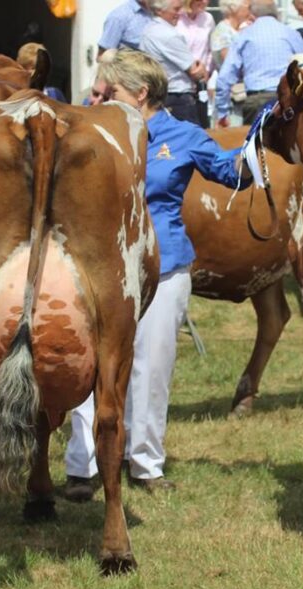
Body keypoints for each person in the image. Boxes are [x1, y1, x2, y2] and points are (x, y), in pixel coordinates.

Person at [64, 49, 251, 500]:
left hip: (163, 266)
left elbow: (232, 174)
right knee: (90, 366)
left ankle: (145, 463)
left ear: (141, 93)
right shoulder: (92, 127)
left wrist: (261, 144)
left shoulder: (182, 135)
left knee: (150, 367)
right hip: (97, 265)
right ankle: (81, 464)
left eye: (111, 91)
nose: (101, 96)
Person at [215, 0, 303, 126]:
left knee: (256, 145)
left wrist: (222, 112)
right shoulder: (291, 34)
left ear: (252, 14)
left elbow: (225, 76)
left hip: (257, 101)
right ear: (276, 13)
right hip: (287, 100)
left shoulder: (244, 36)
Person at [140, 0, 207, 125]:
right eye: (176, 9)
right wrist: (201, 68)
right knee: (190, 141)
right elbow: (196, 72)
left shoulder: (148, 30)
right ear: (160, 10)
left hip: (158, 97)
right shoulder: (168, 34)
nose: (180, 13)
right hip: (178, 99)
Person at [176, 0, 215, 126]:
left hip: (202, 81)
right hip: (180, 82)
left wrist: (207, 71)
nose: (205, 1)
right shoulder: (176, 18)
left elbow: (211, 49)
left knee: (202, 123)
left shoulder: (208, 19)